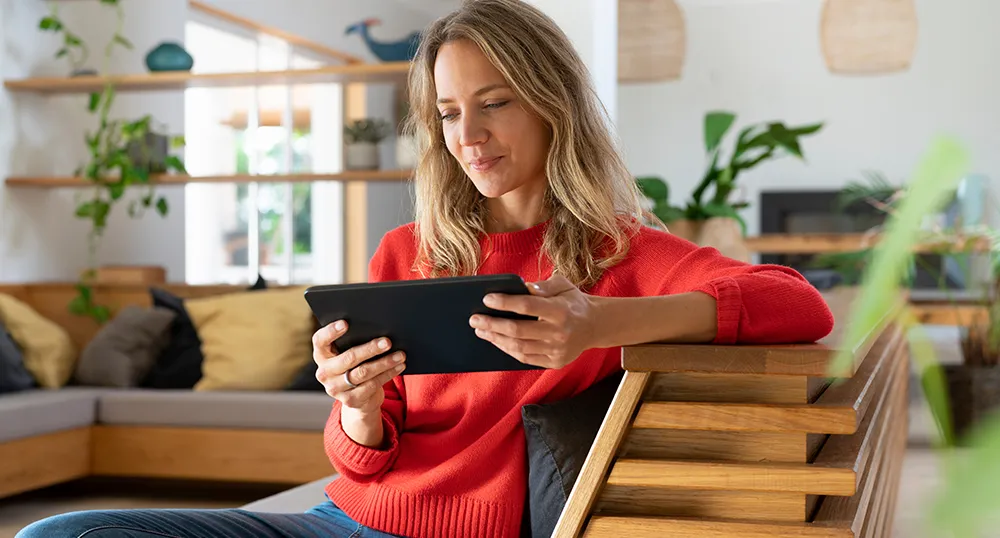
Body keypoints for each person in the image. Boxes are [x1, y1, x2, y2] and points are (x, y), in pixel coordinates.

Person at [17, 1, 834, 537]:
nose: (468, 134)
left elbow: (794, 303)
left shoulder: (617, 255)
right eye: (447, 113)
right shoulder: (407, 253)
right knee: (62, 533)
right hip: (347, 519)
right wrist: (358, 409)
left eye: (495, 101)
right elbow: (362, 457)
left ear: (554, 102)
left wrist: (598, 324)